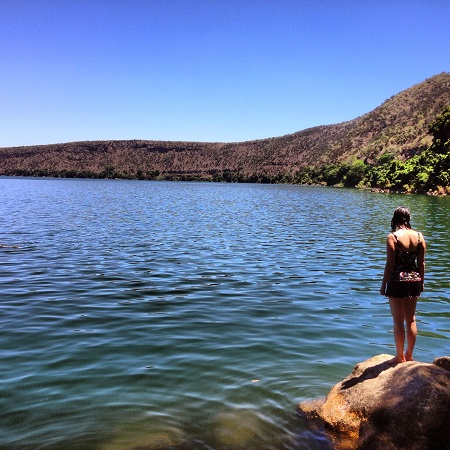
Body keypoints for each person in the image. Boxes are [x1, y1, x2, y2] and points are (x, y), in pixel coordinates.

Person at [380, 207, 426, 364]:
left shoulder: (393, 237)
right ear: (409, 218)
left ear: (395, 219)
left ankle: (400, 357)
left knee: (398, 321)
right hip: (414, 280)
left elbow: (390, 263)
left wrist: (383, 285)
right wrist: (422, 281)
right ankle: (410, 355)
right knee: (411, 320)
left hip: (397, 281)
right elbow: (421, 263)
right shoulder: (419, 237)